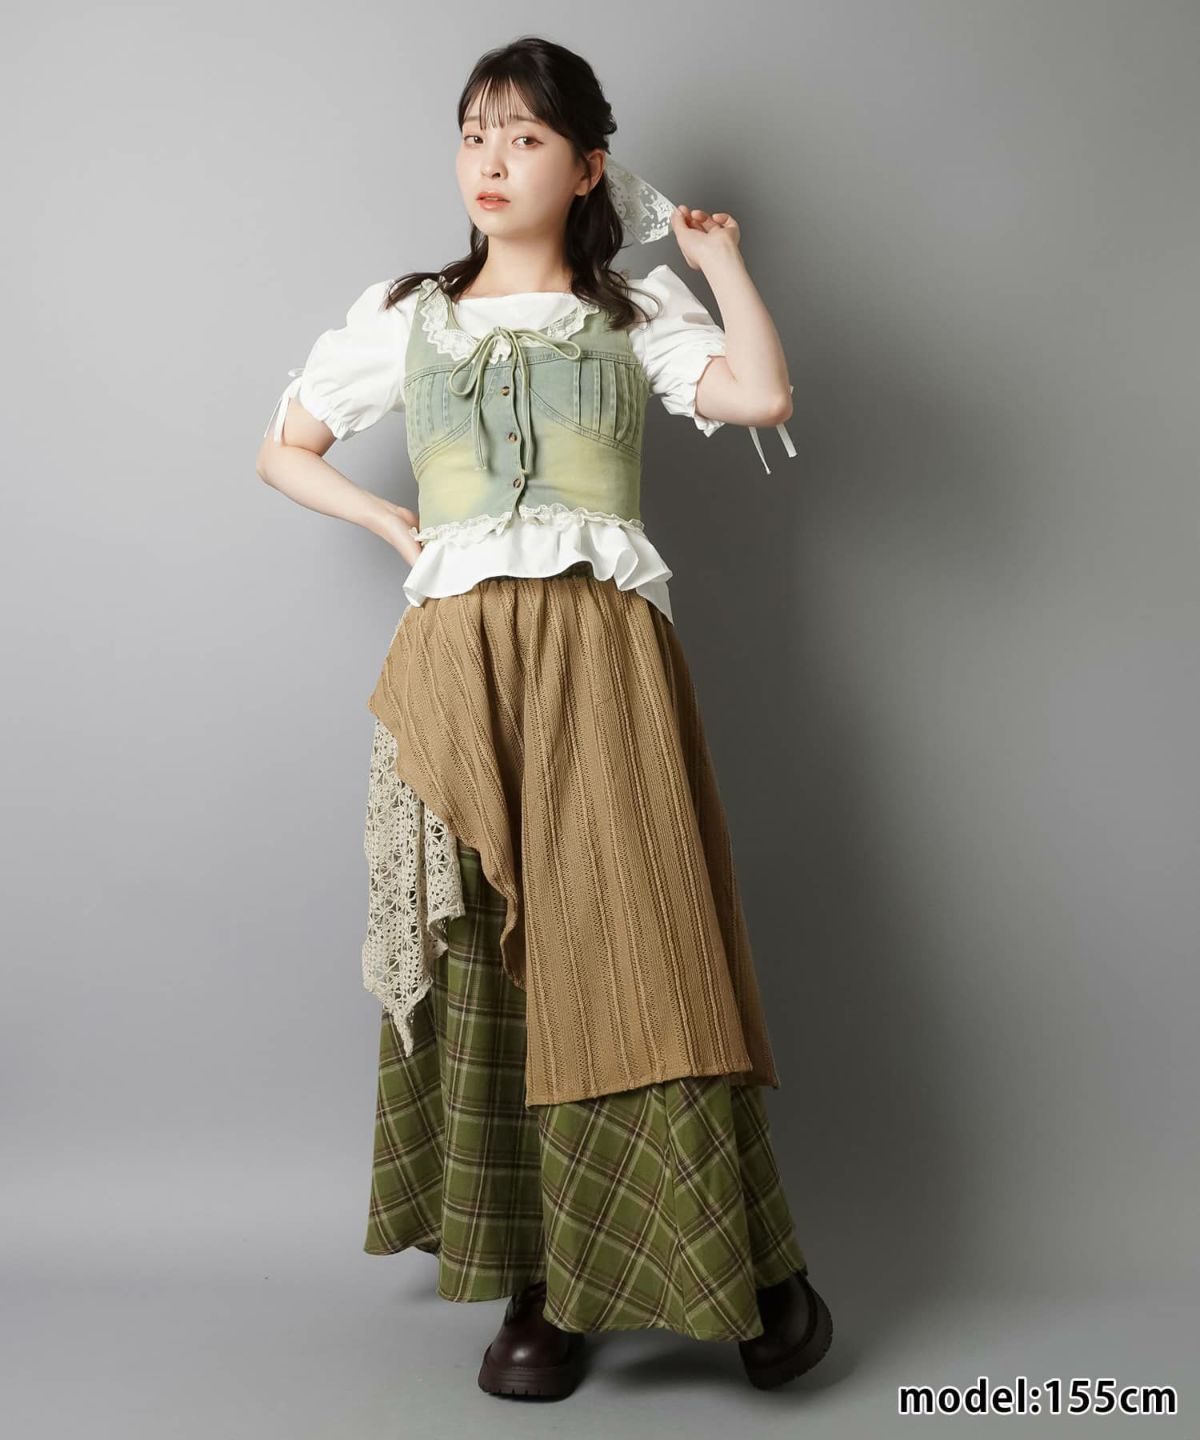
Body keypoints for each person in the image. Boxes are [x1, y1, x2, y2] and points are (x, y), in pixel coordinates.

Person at [256, 34, 832, 1402]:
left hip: (602, 656)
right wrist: (389, 520)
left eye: (523, 136)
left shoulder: (630, 312)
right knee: (495, 960)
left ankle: (757, 1274)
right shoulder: (406, 312)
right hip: (457, 663)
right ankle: (540, 1284)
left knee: (639, 949)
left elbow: (760, 395)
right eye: (474, 134)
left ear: (586, 168)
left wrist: (720, 264)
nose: (491, 161)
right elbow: (284, 448)